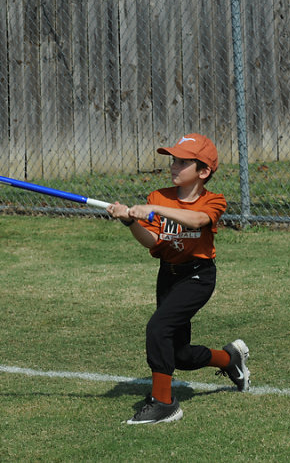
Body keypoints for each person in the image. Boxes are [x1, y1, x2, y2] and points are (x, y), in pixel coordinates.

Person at [108, 133, 249, 425]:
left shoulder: (214, 201)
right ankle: (229, 359)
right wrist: (130, 221)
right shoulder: (158, 196)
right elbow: (151, 241)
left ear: (203, 171)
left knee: (158, 328)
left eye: (183, 162)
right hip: (168, 275)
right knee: (180, 354)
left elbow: (198, 220)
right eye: (174, 160)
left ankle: (164, 404)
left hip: (198, 276)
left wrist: (155, 210)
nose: (174, 166)